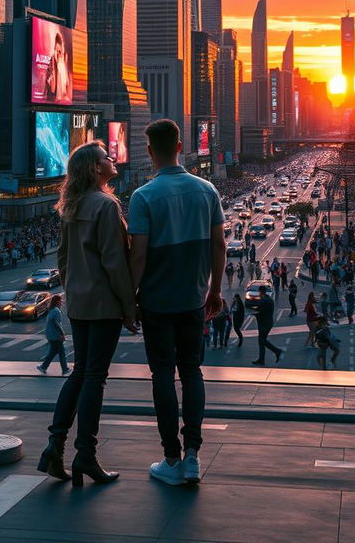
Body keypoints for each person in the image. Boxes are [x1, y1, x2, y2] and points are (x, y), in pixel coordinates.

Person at [128, 119, 225, 487]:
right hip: (192, 301)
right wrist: (214, 291)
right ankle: (193, 456)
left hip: (155, 302)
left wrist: (130, 300)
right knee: (192, 373)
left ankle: (170, 457)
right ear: (181, 146)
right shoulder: (207, 191)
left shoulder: (143, 197)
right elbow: (218, 247)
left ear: (150, 150)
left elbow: (137, 257)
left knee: (162, 376)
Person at [37, 141, 137, 487]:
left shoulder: (71, 205)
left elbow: (62, 260)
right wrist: (128, 306)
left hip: (78, 302)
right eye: (106, 157)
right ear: (96, 169)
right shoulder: (106, 205)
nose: (112, 159)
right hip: (104, 303)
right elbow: (114, 262)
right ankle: (86, 455)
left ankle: (55, 446)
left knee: (80, 373)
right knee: (95, 377)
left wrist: (74, 288)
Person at [38, 295, 70, 376]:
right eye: (60, 300)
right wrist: (62, 333)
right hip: (56, 336)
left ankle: (43, 367)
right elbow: (56, 323)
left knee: (52, 352)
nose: (61, 302)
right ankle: (65, 369)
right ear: (57, 302)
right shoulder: (56, 311)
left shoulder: (51, 310)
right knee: (62, 353)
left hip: (50, 335)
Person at [252, 285, 283, 365]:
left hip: (263, 324)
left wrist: (254, 314)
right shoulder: (269, 300)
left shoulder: (263, 300)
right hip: (268, 323)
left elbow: (260, 312)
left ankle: (276, 351)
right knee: (262, 341)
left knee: (262, 341)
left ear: (260, 292)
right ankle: (262, 359)